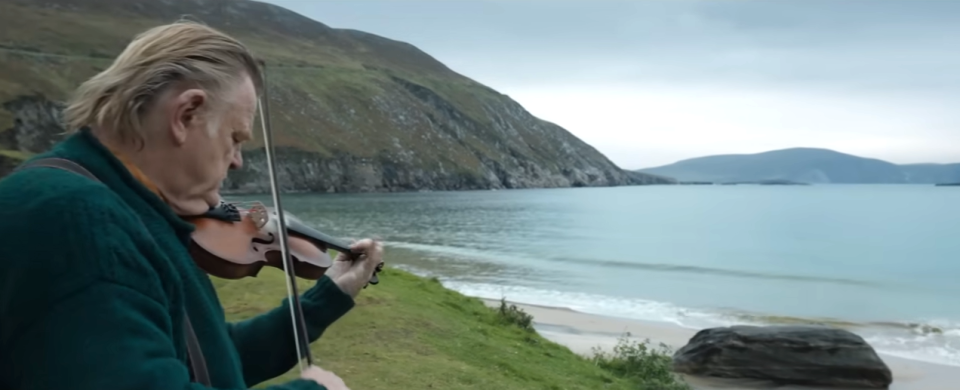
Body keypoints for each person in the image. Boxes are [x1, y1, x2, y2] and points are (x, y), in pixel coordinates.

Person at [0, 20, 382, 390]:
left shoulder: (121, 206)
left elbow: (204, 359)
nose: (237, 160)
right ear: (186, 115)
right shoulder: (83, 224)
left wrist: (330, 294)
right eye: (235, 137)